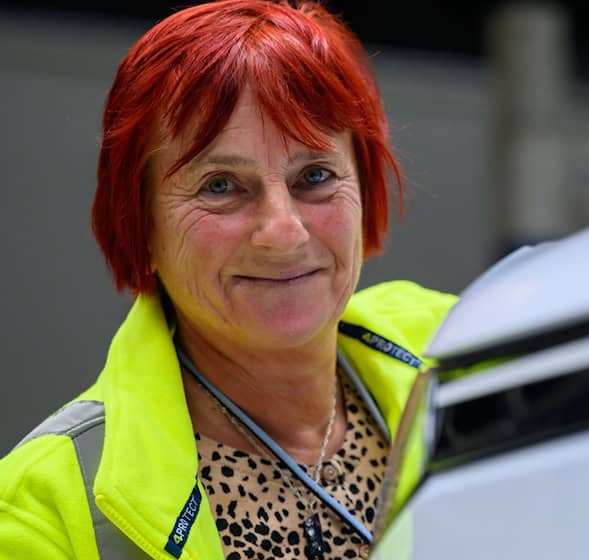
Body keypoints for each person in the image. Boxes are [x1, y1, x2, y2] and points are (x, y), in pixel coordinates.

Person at [0, 1, 456, 558]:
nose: (282, 233)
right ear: (139, 222)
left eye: (314, 176)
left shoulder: (471, 349)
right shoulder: (40, 505)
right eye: (220, 186)